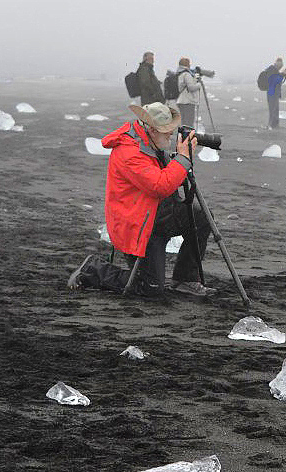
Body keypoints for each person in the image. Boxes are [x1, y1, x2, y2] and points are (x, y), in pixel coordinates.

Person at [67, 102, 216, 297]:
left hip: (157, 212)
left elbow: (166, 180)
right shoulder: (129, 151)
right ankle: (93, 269)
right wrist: (183, 158)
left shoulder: (151, 142)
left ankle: (185, 279)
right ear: (152, 130)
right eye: (167, 132)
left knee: (201, 216)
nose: (171, 136)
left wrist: (179, 159)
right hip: (138, 223)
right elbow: (159, 186)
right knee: (149, 289)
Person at [263, 57, 286, 129]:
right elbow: (275, 81)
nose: (280, 67)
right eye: (280, 65)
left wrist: (283, 74)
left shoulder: (273, 70)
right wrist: (283, 74)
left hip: (273, 92)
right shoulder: (272, 70)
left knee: (275, 109)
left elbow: (277, 78)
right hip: (272, 92)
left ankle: (274, 124)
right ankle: (272, 125)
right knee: (273, 109)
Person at [175, 57, 201, 127]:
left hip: (181, 101)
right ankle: (188, 136)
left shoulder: (180, 73)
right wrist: (199, 85)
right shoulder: (187, 74)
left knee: (184, 122)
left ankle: (184, 136)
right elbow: (191, 87)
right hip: (187, 101)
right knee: (189, 122)